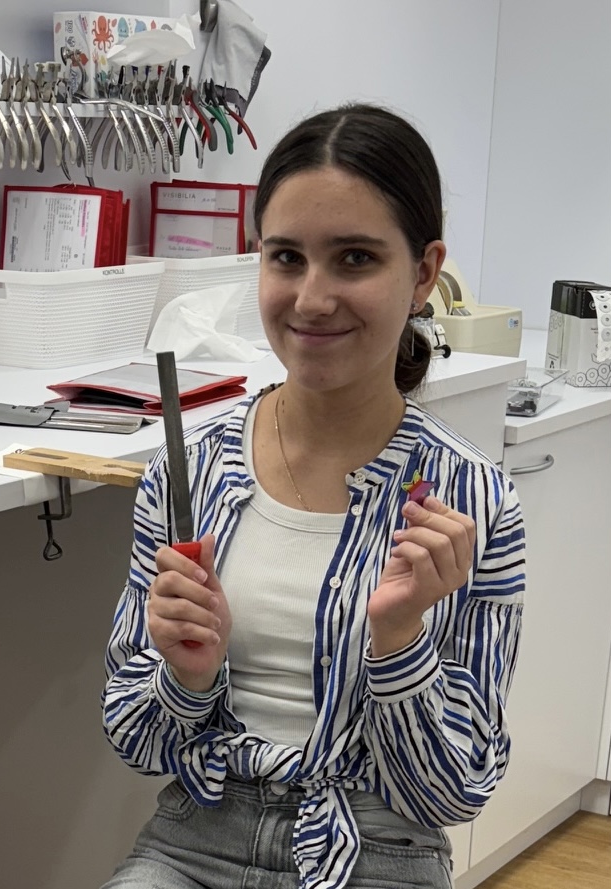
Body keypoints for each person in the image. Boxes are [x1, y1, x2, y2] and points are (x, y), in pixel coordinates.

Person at [99, 103, 525, 889]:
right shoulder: (190, 473)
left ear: (424, 273)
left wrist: (399, 640)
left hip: (378, 848)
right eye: (287, 257)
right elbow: (134, 736)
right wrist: (186, 678)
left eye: (355, 258)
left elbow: (453, 791)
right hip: (197, 835)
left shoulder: (471, 501)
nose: (312, 298)